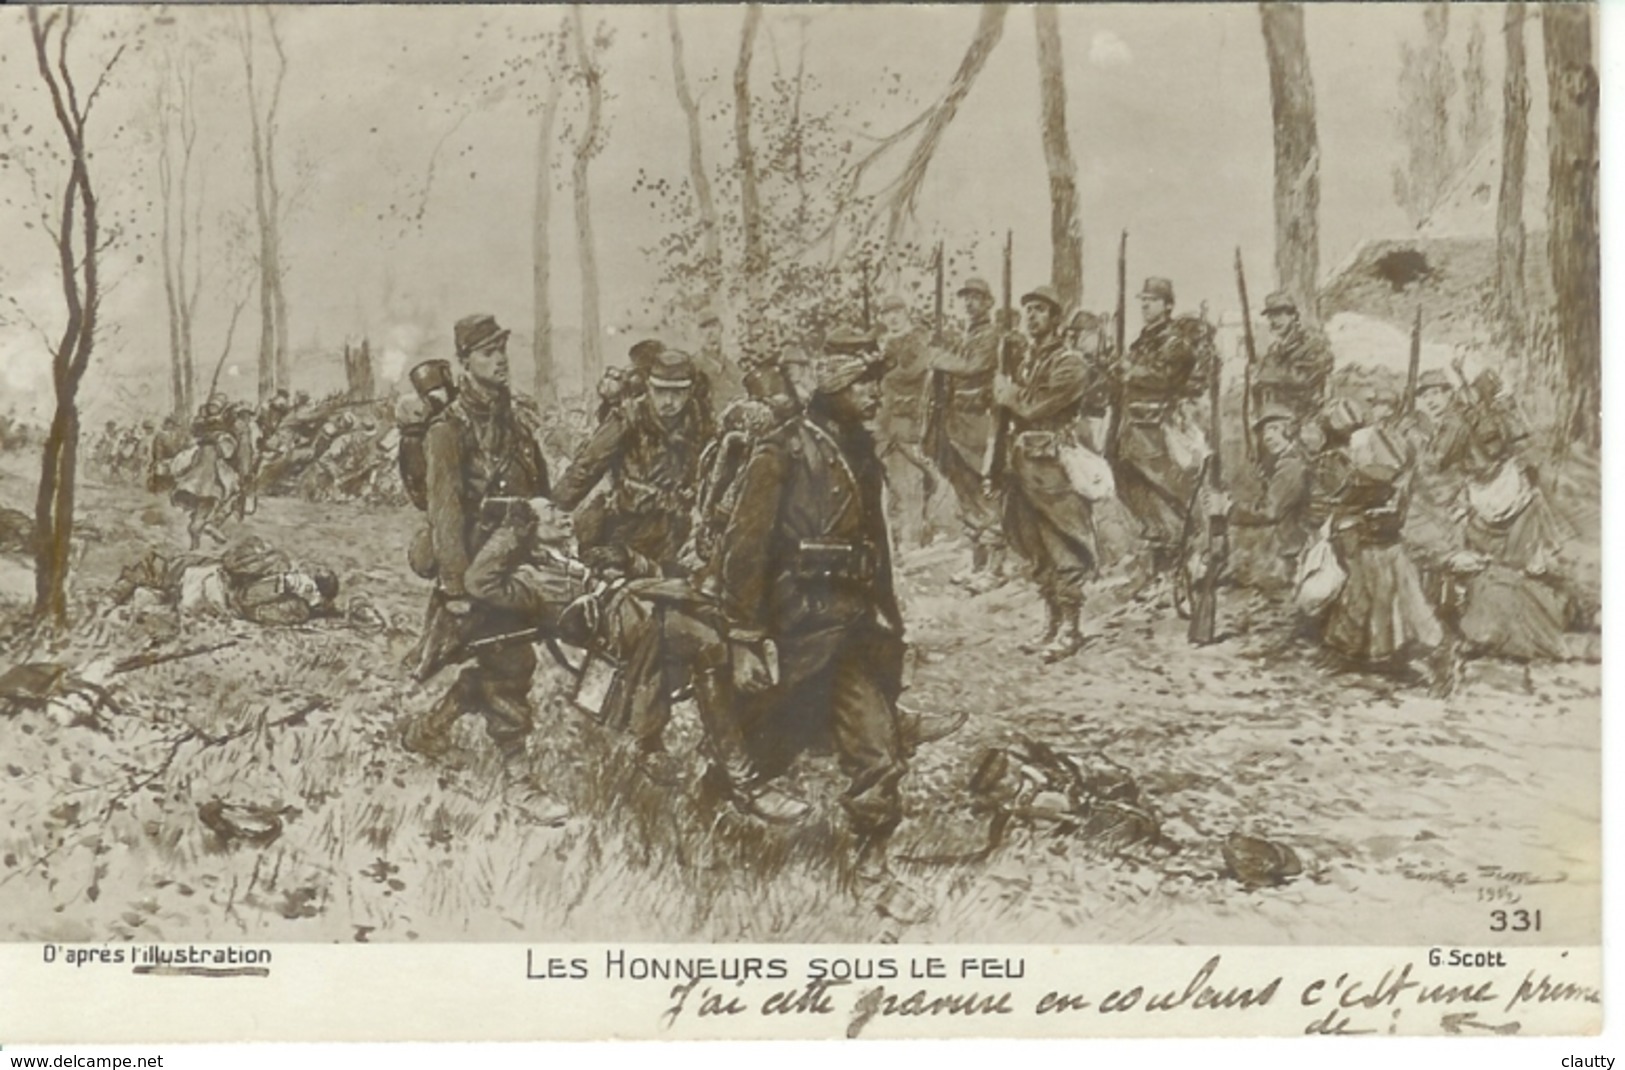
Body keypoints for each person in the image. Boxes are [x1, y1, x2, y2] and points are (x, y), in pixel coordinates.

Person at [713, 337, 932, 919]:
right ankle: (709, 824)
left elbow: (876, 549)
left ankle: (873, 871)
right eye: (864, 384)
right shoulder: (781, 452)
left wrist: (889, 617)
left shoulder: (861, 452)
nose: (875, 394)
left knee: (876, 748)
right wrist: (742, 640)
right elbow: (745, 548)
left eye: (876, 384)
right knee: (767, 746)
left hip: (851, 630)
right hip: (795, 633)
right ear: (834, 385)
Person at [400, 314, 561, 822]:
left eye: (502, 349)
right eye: (488, 352)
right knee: (510, 663)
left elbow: (539, 486)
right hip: (472, 563)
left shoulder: (514, 421)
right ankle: (519, 778)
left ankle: (428, 730)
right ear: (465, 362)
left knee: (499, 658)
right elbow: (443, 509)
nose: (500, 359)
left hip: (512, 558)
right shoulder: (447, 430)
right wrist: (455, 587)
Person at [991, 286, 1099, 662]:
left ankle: (1071, 628)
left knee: (1062, 543)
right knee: (1033, 546)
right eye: (1028, 310)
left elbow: (1037, 407)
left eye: (1040, 310)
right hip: (1022, 465)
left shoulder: (1071, 363)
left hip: (1053, 468)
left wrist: (1008, 395)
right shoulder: (1027, 361)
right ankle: (1051, 623)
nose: (1032, 317)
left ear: (1056, 318)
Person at [554, 348, 709, 578]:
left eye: (678, 393)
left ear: (689, 392)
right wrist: (550, 512)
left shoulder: (697, 420)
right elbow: (586, 468)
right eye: (661, 391)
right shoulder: (627, 418)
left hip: (677, 536)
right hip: (627, 534)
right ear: (649, 387)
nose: (669, 401)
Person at [1113, 277, 1216, 583]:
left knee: (1166, 491)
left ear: (1168, 305)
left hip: (1159, 429)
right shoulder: (1142, 340)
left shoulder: (1175, 343)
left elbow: (1168, 377)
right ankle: (1160, 564)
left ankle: (1182, 563)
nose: (1145, 304)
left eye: (1152, 299)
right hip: (1133, 428)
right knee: (1136, 490)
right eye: (1142, 299)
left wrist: (1132, 372)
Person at [926, 277, 1016, 590]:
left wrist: (939, 359)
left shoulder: (991, 335)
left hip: (979, 422)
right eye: (966, 297)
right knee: (966, 493)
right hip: (956, 421)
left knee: (985, 490)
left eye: (976, 298)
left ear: (989, 302)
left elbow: (974, 366)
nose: (970, 303)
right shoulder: (969, 334)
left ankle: (995, 567)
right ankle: (977, 562)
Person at [873, 297, 939, 548]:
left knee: (909, 481)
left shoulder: (916, 341)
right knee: (888, 485)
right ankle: (896, 541)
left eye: (897, 311)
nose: (892, 318)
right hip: (885, 422)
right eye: (887, 313)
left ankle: (911, 542)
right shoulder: (884, 344)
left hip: (909, 421)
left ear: (906, 312)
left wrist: (885, 376)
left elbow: (912, 373)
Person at [1227, 406, 1314, 592]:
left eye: (1274, 429)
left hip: (1287, 551)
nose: (1267, 437)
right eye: (1265, 432)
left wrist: (1230, 509)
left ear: (1289, 430)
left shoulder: (1291, 466)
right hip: (1284, 544)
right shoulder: (1286, 461)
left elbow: (1270, 512)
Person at [1250, 292, 1334, 427]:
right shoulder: (1274, 350)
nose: (1274, 321)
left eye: (1279, 314)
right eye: (1270, 316)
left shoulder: (1313, 343)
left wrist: (1265, 374)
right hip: (1280, 422)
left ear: (1293, 315)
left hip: (1309, 422)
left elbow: (1303, 377)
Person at [170, 395, 240, 550]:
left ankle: (202, 535)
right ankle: (204, 530)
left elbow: (227, 452)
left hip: (206, 479)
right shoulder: (204, 440)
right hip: (203, 479)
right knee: (206, 508)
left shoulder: (221, 438)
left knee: (206, 510)